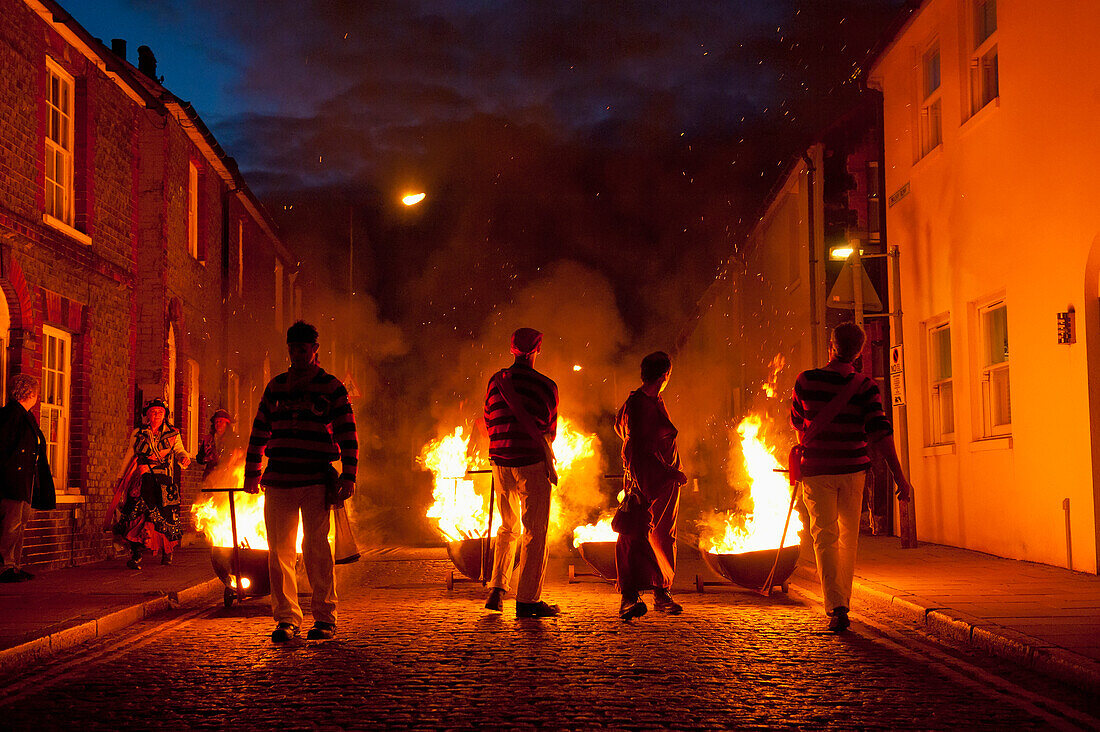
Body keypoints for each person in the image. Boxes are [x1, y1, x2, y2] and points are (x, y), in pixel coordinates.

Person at [791, 322, 912, 632]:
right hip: (853, 471)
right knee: (848, 538)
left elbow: (798, 424)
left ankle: (836, 606)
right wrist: (900, 477)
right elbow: (881, 433)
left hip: (817, 471)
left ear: (831, 345)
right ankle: (842, 601)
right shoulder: (866, 386)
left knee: (824, 536)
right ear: (858, 353)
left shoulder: (805, 381)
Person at [245, 321, 358, 643]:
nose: (298, 354)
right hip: (279, 477)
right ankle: (286, 618)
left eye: (303, 349)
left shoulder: (333, 387)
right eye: (293, 349)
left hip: (314, 477)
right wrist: (252, 471)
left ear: (314, 349)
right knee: (278, 551)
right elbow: (260, 429)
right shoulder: (275, 387)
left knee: (317, 549)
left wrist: (349, 475)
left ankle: (324, 617)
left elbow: (348, 433)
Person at [482, 327, 561, 619]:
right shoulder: (546, 386)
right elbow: (549, 431)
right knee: (534, 532)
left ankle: (497, 589)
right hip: (530, 463)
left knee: (507, 527)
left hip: (500, 461)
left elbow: (489, 420)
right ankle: (528, 600)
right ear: (536, 350)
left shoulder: (495, 381)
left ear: (512, 349)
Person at [614, 351, 687, 620]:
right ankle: (629, 596)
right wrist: (669, 471)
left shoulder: (652, 401)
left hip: (662, 484)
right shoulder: (638, 404)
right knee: (635, 536)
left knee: (663, 536)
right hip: (646, 481)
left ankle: (661, 592)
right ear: (665, 374)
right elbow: (637, 445)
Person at [110, 398, 191, 568]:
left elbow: (179, 450)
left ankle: (168, 552)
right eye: (153, 412)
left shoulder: (173, 433)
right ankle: (136, 554)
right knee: (135, 514)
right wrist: (120, 477)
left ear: (165, 415)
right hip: (141, 478)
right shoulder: (138, 433)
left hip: (163, 480)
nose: (157, 415)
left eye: (160, 412)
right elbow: (129, 455)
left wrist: (183, 458)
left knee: (166, 515)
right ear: (147, 414)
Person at [0, 374, 55, 582]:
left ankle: (13, 565)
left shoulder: (25, 416)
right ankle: (5, 567)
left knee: (19, 524)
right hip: (11, 483)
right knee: (10, 525)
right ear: (30, 393)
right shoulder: (10, 416)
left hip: (24, 482)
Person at [196, 408, 240, 485]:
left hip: (228, 477)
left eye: (220, 421)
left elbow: (239, 455)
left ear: (227, 424)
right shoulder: (208, 439)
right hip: (210, 478)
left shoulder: (234, 439)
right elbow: (199, 458)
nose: (218, 424)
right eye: (216, 422)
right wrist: (206, 459)